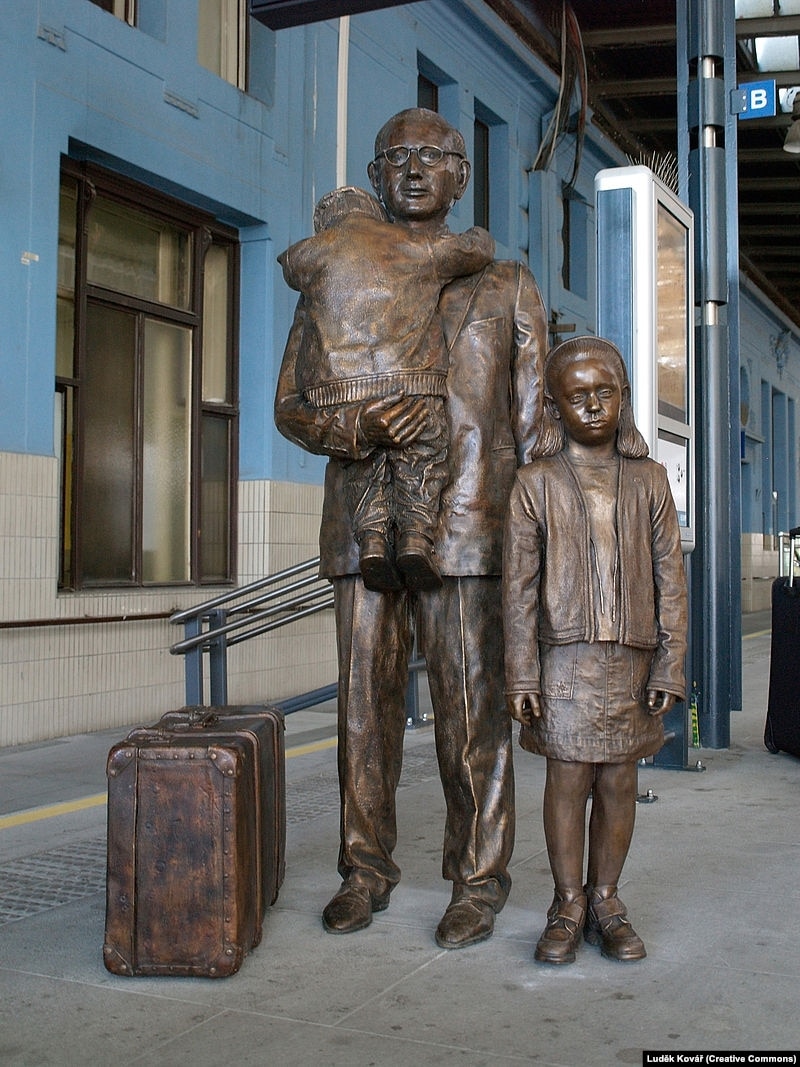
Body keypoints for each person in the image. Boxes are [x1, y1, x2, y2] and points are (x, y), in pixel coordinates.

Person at [275, 107, 547, 948]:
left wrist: (541, 545)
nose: (415, 168)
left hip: (468, 529)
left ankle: (478, 877)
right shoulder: (340, 268)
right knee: (364, 713)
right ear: (376, 175)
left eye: (433, 155)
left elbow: (535, 428)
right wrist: (353, 428)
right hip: (361, 524)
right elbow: (291, 404)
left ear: (461, 175)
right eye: (397, 157)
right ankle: (364, 870)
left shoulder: (505, 285)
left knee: (472, 717)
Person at [502, 335, 688, 965]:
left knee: (619, 780)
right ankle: (567, 903)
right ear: (553, 406)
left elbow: (671, 582)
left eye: (604, 393)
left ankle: (606, 899)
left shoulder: (650, 480)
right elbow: (517, 591)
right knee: (567, 778)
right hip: (563, 662)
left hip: (632, 659)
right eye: (577, 396)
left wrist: (670, 665)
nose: (591, 406)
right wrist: (520, 675)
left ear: (624, 398)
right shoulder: (534, 483)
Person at [277, 184, 495, 592]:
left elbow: (290, 263)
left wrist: (356, 422)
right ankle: (415, 534)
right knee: (424, 452)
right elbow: (286, 409)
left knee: (364, 468)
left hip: (340, 392)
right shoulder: (413, 247)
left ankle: (373, 539)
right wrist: (355, 429)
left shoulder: (312, 262)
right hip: (412, 384)